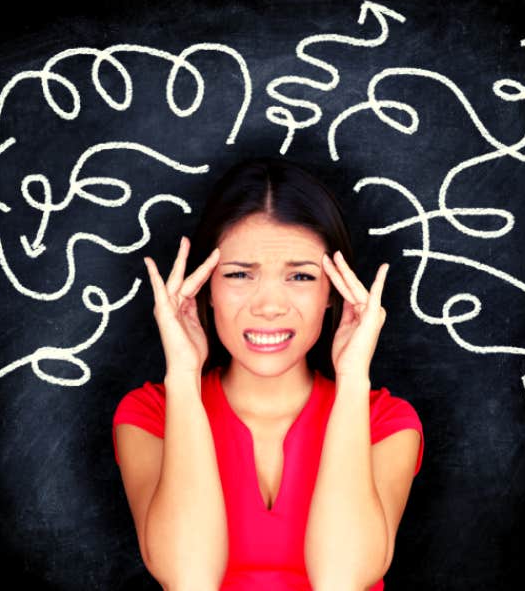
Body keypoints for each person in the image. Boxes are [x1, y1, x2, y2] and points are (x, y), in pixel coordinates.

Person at [113, 158, 423, 590]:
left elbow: (342, 579)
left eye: (300, 275)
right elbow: (189, 578)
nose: (270, 306)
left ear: (331, 293)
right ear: (206, 287)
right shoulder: (151, 415)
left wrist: (353, 379)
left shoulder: (385, 423)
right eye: (240, 274)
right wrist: (183, 375)